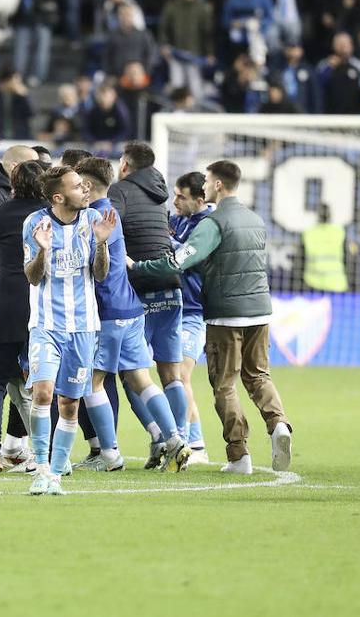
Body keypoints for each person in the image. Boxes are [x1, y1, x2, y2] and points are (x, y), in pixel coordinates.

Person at [133, 160, 293, 476]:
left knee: (225, 385)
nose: (204, 186)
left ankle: (239, 456)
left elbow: (180, 261)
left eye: (207, 181)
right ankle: (278, 425)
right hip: (260, 311)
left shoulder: (214, 223)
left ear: (218, 185)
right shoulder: (255, 219)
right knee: (259, 375)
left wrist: (139, 267)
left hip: (226, 315)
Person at [76, 157, 191, 473]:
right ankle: (175, 439)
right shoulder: (110, 212)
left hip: (106, 312)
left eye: (77, 183)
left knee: (92, 383)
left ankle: (109, 454)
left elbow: (88, 267)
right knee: (142, 379)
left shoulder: (92, 217)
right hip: (130, 307)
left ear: (86, 186)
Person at [22, 166, 114, 495]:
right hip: (46, 325)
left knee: (70, 406)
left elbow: (101, 275)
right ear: (59, 197)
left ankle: (56, 475)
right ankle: (41, 468)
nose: (86, 189)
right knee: (43, 393)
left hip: (84, 327)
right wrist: (44, 250)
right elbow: (32, 277)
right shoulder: (35, 224)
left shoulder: (93, 220)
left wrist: (102, 244)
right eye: (78, 186)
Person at [109, 142, 190, 468]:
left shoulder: (120, 190)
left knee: (133, 373)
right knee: (171, 373)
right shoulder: (160, 193)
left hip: (138, 289)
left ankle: (162, 437)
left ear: (126, 164)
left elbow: (110, 229)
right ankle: (181, 437)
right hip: (170, 289)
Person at [0, 159, 48, 476]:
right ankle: (45, 454)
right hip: (42, 307)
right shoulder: (51, 215)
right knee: (42, 383)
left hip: (6, 305)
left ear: (14, 184)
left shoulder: (2, 212)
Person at [170, 171, 212, 464]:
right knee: (173, 377)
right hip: (172, 309)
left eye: (181, 197)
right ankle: (186, 442)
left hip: (194, 312)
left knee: (182, 376)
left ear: (199, 200)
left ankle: (195, 446)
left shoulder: (208, 227)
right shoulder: (178, 220)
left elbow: (185, 258)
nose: (175, 201)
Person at [301, 204, 350, 292]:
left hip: (313, 285)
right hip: (337, 285)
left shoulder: (309, 233)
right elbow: (349, 260)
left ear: (317, 215)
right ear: (330, 215)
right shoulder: (339, 232)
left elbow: (300, 261)